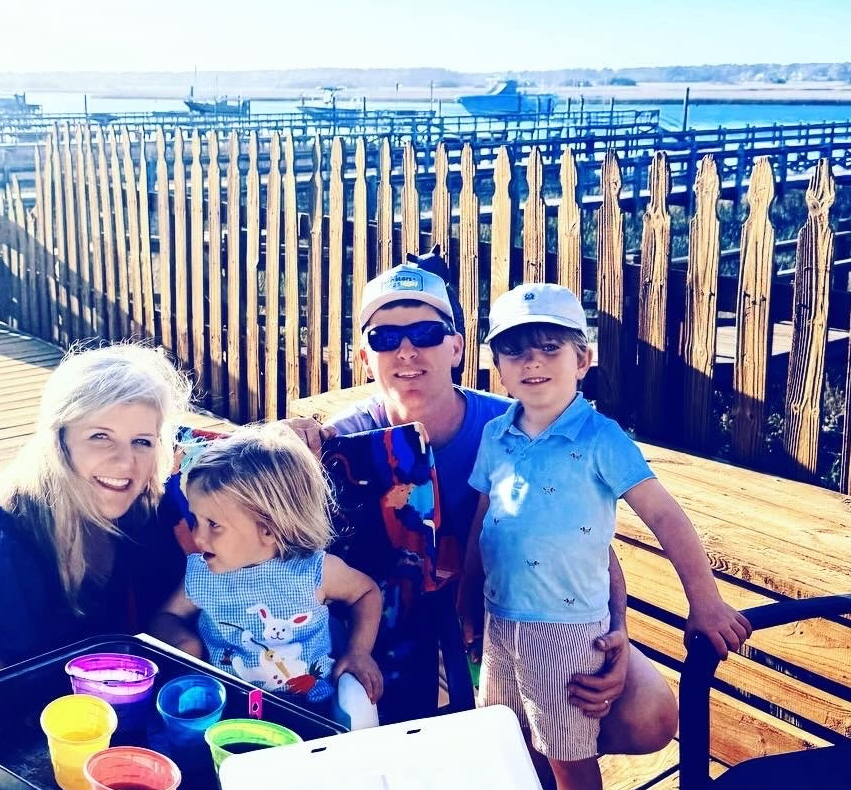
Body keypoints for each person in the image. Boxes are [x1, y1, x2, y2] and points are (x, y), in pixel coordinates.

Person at [290, 258, 677, 754]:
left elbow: (589, 539)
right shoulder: (343, 442)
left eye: (426, 332)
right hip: (390, 627)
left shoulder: (513, 428)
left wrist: (615, 632)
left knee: (649, 714)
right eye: (385, 337)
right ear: (365, 356)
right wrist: (287, 438)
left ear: (456, 347)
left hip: (514, 617)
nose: (406, 350)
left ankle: (554, 761)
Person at [464, 283, 751, 790]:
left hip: (567, 630)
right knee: (511, 742)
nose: (532, 362)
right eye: (515, 351)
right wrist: (466, 600)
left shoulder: (602, 439)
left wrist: (706, 602)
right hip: (501, 624)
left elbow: (664, 516)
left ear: (583, 360)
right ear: (497, 367)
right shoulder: (496, 435)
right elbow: (483, 519)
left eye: (550, 348)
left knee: (569, 759)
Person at [0, 343, 192, 679]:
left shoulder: (144, 514)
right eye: (100, 436)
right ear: (58, 442)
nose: (125, 462)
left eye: (142, 441)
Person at [150, 424, 384, 728]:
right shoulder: (203, 572)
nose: (197, 536)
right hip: (227, 713)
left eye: (213, 524)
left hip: (311, 713)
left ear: (269, 529)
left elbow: (366, 593)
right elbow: (166, 615)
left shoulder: (313, 571)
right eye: (196, 519)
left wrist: (358, 651)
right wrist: (184, 642)